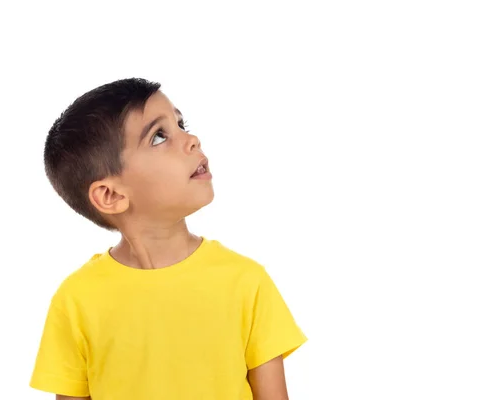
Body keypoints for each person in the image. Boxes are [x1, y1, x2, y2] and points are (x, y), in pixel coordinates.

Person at [29, 77, 308, 399]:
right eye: (159, 136)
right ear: (110, 194)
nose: (192, 140)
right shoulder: (76, 300)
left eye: (181, 124)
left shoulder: (246, 282)